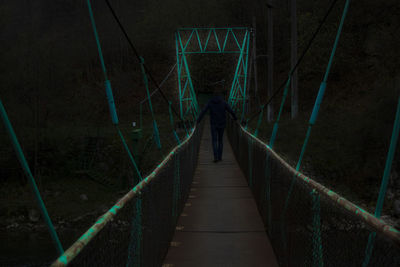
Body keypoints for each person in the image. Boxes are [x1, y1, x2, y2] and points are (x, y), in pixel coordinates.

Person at [197, 93, 237, 162]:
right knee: (220, 141)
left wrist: (198, 120)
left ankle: (215, 157)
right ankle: (220, 157)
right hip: (222, 124)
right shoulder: (223, 102)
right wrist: (235, 118)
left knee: (214, 141)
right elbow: (231, 110)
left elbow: (203, 111)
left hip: (213, 124)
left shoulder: (210, 102)